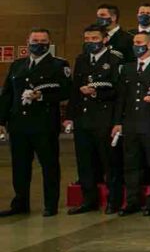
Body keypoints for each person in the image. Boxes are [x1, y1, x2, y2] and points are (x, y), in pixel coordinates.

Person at [0, 28, 71, 217]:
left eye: (43, 41)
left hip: (44, 124)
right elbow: (7, 94)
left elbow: (65, 91)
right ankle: (20, 203)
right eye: (35, 40)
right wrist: (1, 119)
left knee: (49, 165)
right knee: (20, 166)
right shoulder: (17, 65)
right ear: (28, 42)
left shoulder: (58, 65)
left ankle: (50, 204)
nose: (39, 44)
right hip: (18, 124)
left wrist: (42, 97)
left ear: (49, 43)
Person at [65, 25, 124, 214]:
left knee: (109, 162)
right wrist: (69, 117)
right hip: (84, 118)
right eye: (87, 39)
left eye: (95, 38)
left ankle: (113, 201)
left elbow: (119, 91)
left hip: (104, 118)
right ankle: (88, 200)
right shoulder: (81, 60)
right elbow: (75, 90)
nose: (91, 42)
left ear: (105, 39)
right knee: (85, 162)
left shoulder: (114, 60)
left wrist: (97, 93)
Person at [116, 32, 150, 216]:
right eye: (134, 43)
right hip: (131, 123)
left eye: (139, 42)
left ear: (149, 45)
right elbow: (121, 98)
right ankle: (132, 201)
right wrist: (118, 122)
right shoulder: (127, 69)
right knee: (131, 164)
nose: (135, 45)